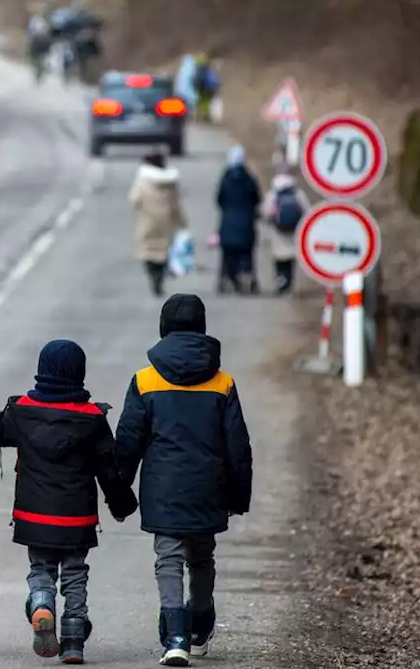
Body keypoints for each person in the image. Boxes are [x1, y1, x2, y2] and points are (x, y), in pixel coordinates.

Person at [113, 294, 253, 667]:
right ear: (203, 327)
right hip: (209, 487)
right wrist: (239, 496)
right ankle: (201, 622)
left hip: (164, 486)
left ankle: (175, 635)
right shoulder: (222, 383)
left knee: (169, 558)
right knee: (202, 556)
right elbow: (237, 445)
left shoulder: (145, 380)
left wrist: (119, 489)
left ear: (163, 327)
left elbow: (128, 440)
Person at [0, 339, 139, 664]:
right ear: (80, 375)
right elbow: (108, 470)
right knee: (75, 574)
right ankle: (73, 641)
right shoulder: (92, 418)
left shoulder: (20, 411)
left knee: (41, 568)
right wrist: (122, 505)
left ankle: (42, 602)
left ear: (41, 372)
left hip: (34, 516)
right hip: (77, 519)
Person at [129, 150, 188, 298]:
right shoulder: (171, 183)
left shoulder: (143, 182)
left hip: (148, 222)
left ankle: (153, 276)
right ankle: (160, 279)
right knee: (164, 252)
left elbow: (134, 201)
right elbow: (176, 205)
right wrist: (182, 223)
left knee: (149, 251)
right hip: (167, 223)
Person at [215, 146, 263, 294]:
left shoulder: (225, 178)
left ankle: (228, 279)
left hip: (228, 223)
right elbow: (257, 198)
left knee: (228, 254)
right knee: (246, 253)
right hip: (246, 223)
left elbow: (219, 199)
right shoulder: (249, 179)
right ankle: (246, 278)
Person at [259, 164, 309, 295]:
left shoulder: (274, 193)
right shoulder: (297, 193)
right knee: (290, 259)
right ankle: (288, 282)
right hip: (293, 232)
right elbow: (306, 210)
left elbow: (266, 211)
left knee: (279, 259)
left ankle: (280, 280)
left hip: (277, 231)